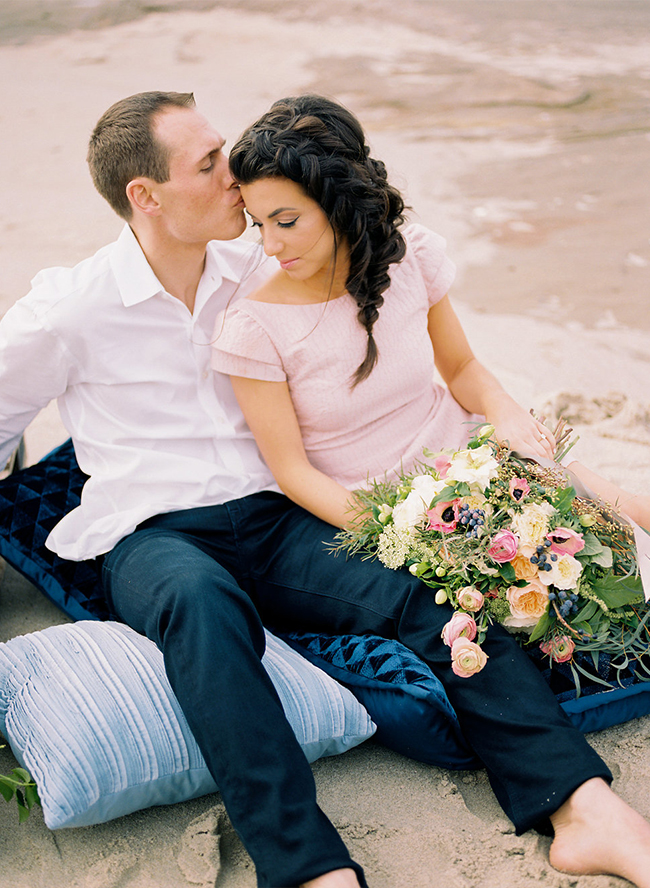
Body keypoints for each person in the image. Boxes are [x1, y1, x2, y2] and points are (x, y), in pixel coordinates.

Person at [0, 90, 645, 888]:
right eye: (209, 164)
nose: (235, 173)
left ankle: (583, 809)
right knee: (202, 607)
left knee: (424, 598)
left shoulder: (267, 251)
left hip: (280, 515)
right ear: (147, 196)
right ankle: (307, 867)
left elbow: (388, 302)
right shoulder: (69, 307)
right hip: (156, 531)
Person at [210, 94, 650, 887]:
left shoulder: (409, 257)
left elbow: (465, 371)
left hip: (467, 465)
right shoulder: (254, 327)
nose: (269, 244)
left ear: (340, 204)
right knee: (477, 610)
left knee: (613, 503)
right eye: (258, 222)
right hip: (381, 512)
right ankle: (580, 815)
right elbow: (292, 473)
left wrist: (516, 425)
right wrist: (407, 538)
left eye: (287, 221)